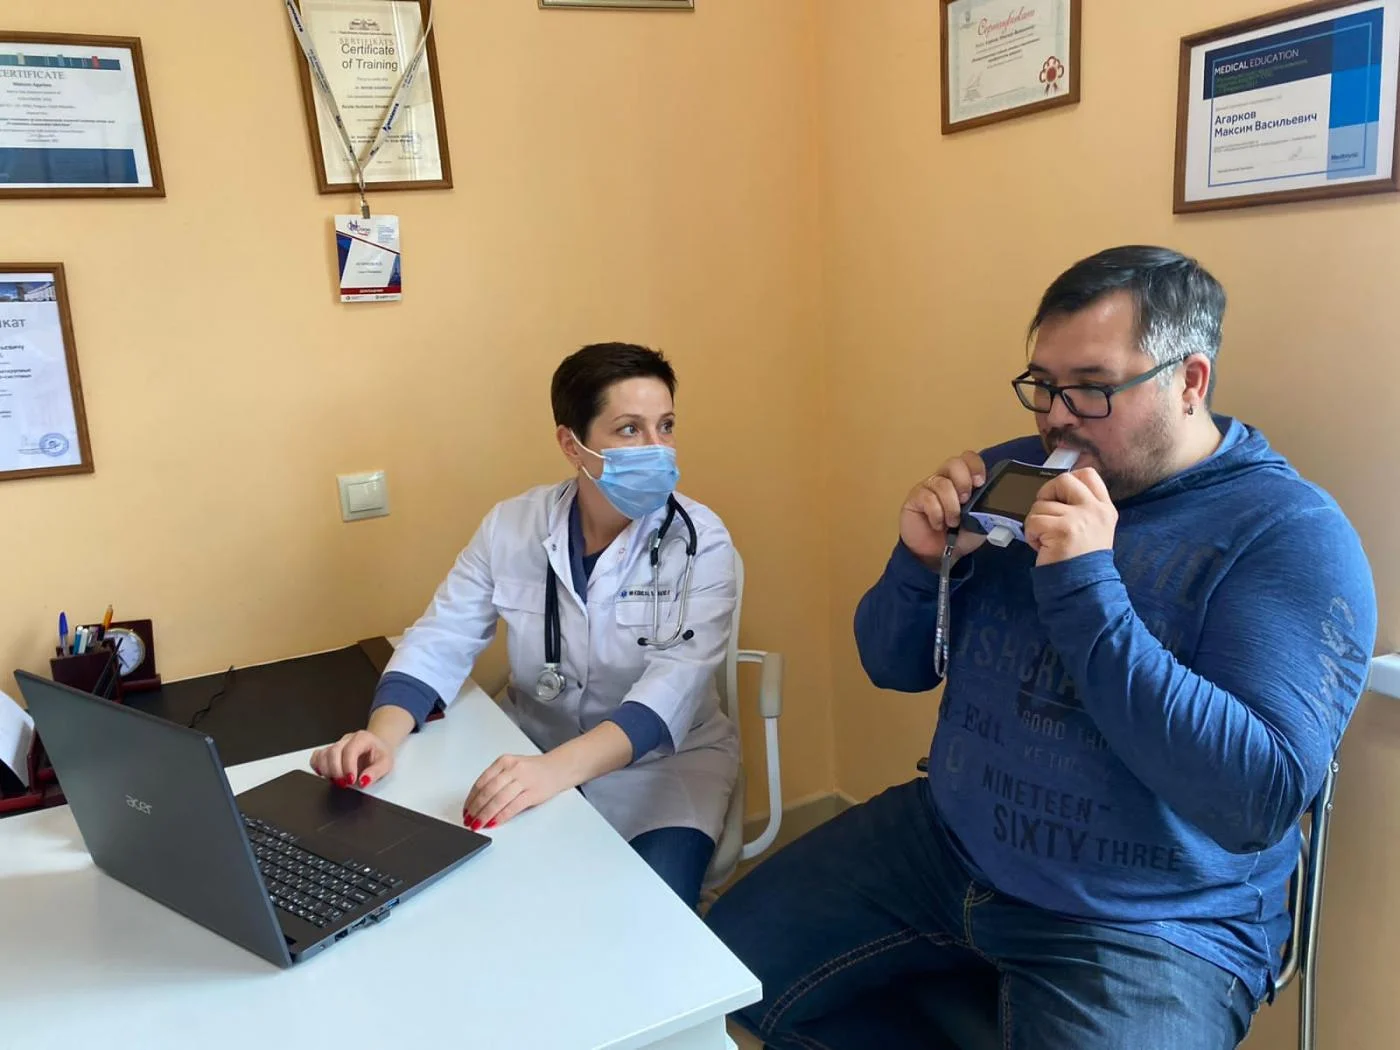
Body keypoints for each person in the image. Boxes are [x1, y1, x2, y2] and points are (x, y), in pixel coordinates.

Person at [705, 246, 1377, 1048]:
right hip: (948, 844)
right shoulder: (1010, 476)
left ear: (1190, 381)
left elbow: (1256, 800)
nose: (1057, 417)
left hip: (1150, 917)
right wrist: (920, 565)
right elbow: (890, 665)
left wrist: (1087, 588)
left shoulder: (1288, 535)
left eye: (1092, 387)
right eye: (1043, 385)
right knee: (714, 976)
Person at [311, 342, 739, 909]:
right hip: (529, 744)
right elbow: (443, 635)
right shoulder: (512, 526)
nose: (657, 449)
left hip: (663, 769)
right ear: (572, 444)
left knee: (650, 918)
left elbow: (672, 691)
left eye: (666, 426)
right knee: (483, 903)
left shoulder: (701, 541)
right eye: (629, 430)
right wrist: (381, 736)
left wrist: (554, 772)